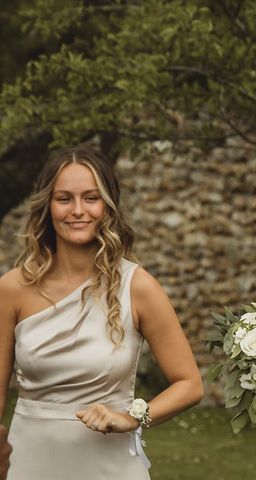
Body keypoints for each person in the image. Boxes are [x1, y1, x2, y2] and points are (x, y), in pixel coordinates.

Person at [0, 147, 204, 479]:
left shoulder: (139, 287)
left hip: (112, 466)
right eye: (64, 199)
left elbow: (190, 384)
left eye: (91, 198)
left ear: (107, 206)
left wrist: (134, 418)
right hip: (29, 461)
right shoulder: (11, 288)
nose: (77, 211)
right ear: (47, 207)